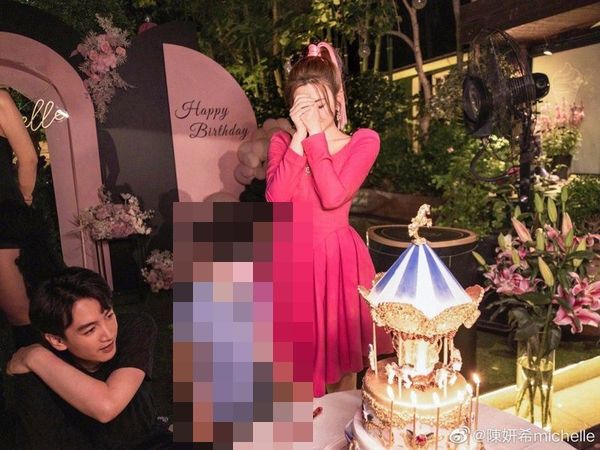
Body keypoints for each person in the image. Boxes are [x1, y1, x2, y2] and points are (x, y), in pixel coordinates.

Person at [265, 42, 393, 397]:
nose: (312, 115)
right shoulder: (282, 143)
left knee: (342, 363)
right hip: (289, 261)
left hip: (336, 261)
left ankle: (338, 426)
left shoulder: (362, 142)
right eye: (303, 106)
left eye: (319, 105)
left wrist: (317, 139)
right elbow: (276, 200)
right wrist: (299, 138)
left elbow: (333, 196)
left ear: (338, 100)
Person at [6, 267, 171, 449]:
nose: (108, 334)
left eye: (109, 316)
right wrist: (38, 359)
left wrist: (34, 356)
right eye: (90, 330)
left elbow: (106, 406)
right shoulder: (37, 372)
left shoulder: (134, 328)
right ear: (57, 340)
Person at [0, 88, 60, 349]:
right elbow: (28, 159)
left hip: (5, 220)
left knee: (22, 314)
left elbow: (29, 160)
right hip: (6, 215)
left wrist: (22, 201)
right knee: (21, 314)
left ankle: (35, 367)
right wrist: (23, 200)